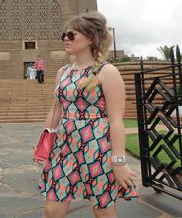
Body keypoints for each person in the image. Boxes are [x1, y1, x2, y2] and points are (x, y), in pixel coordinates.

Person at [39, 12, 136, 218]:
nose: (66, 38)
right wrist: (44, 142)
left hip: (97, 147)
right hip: (64, 147)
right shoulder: (63, 72)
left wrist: (119, 161)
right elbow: (55, 109)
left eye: (72, 35)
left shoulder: (107, 71)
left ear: (91, 37)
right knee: (52, 209)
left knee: (102, 209)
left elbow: (116, 119)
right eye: (64, 34)